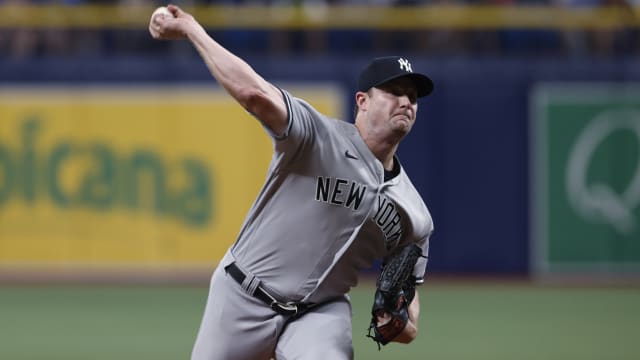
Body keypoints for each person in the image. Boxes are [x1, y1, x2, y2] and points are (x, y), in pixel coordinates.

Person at [149, 5, 434, 360]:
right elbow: (255, 94)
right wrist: (192, 29)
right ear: (362, 101)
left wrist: (403, 322)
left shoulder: (414, 214)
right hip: (243, 296)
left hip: (320, 312)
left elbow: (410, 296)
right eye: (394, 91)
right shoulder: (316, 135)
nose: (406, 101)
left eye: (412, 96)